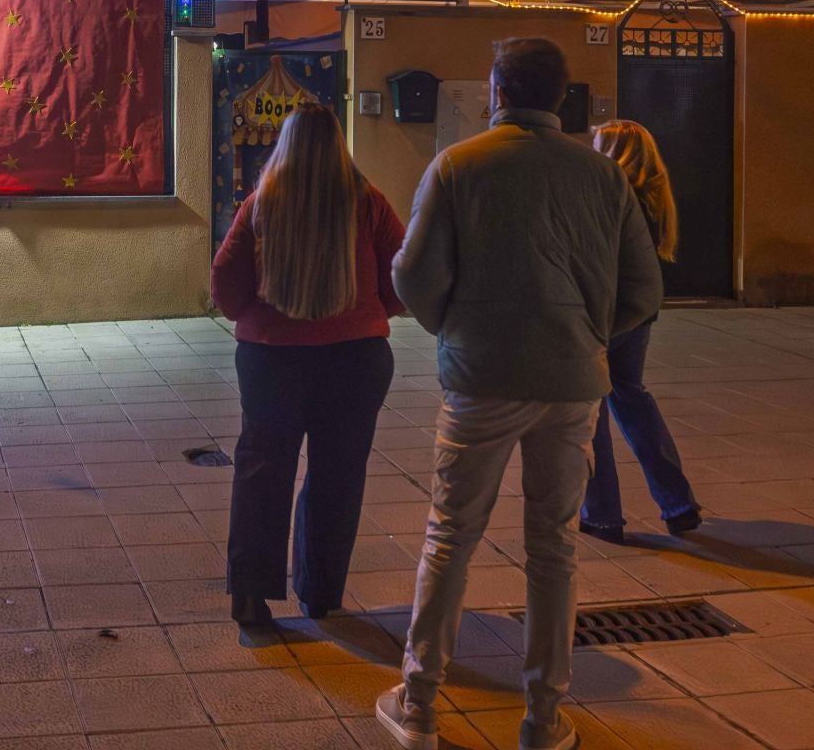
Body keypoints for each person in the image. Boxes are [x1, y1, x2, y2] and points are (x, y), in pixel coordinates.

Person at [376, 38, 662, 750]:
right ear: (562, 98)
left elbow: (411, 274)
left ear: (496, 92)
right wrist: (591, 334)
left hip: (481, 378)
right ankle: (541, 716)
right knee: (553, 548)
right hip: (572, 385)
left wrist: (452, 327)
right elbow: (646, 290)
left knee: (450, 537)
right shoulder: (603, 177)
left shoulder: (458, 166)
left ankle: (418, 706)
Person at [211, 103, 404, 628]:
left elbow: (225, 281)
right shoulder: (367, 202)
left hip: (272, 358)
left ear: (285, 144)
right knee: (338, 475)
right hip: (356, 359)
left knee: (261, 468)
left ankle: (250, 598)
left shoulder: (261, 203)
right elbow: (402, 271)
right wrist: (370, 313)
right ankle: (320, 595)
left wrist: (256, 319)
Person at [579, 121, 701, 543]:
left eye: (598, 144)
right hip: (637, 314)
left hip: (605, 314)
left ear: (614, 149)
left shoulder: (613, 194)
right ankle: (678, 503)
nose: (592, 150)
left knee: (590, 409)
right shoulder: (653, 193)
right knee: (631, 397)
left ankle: (602, 514)